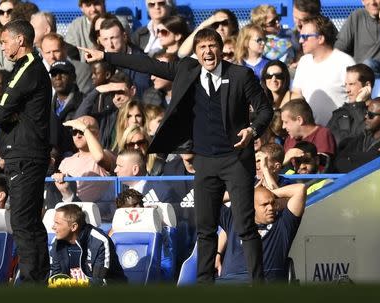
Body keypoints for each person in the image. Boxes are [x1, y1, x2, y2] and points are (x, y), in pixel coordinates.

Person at [78, 27, 273, 283]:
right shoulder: (186, 70)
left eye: (212, 46)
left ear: (221, 49)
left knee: (245, 226)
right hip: (204, 160)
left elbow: (265, 110)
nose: (207, 51)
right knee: (205, 229)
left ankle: (258, 285)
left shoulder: (240, 75)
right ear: (196, 52)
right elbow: (146, 64)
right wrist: (106, 56)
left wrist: (252, 130)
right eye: (202, 47)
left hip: (235, 159)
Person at [0, 19, 51, 283]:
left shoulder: (28, 67)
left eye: (4, 41)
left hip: (25, 155)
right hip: (28, 154)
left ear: (20, 41)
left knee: (23, 223)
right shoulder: (28, 68)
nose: (1, 47)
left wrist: (6, 115)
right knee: (31, 222)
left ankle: (30, 282)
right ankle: (39, 278)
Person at [216, 184, 306, 282]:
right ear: (250, 206)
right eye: (264, 204)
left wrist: (268, 193)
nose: (271, 208)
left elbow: (300, 189)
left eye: (273, 203)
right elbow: (210, 198)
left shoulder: (283, 225)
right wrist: (248, 194)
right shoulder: (235, 221)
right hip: (229, 283)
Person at [292, 14, 356, 126]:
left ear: (320, 38)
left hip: (340, 133)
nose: (301, 41)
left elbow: (356, 99)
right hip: (311, 133)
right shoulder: (304, 61)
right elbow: (297, 93)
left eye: (306, 37)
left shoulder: (345, 62)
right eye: (300, 36)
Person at [50, 203, 127, 285]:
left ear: (73, 227)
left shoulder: (99, 241)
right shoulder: (57, 242)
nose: (53, 227)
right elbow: (56, 277)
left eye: (57, 223)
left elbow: (99, 281)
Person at [57, 115, 115, 203]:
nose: (78, 135)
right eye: (74, 132)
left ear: (97, 134)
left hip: (97, 213)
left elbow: (100, 157)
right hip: (70, 210)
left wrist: (85, 129)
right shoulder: (66, 161)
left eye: (81, 131)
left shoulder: (107, 154)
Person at [335, 97, 380, 172]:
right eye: (366, 113)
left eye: (371, 115)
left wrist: (352, 158)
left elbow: (377, 163)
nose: (366, 117)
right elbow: (339, 161)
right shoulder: (363, 136)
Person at [98, 17, 151, 97]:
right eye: (105, 39)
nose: (110, 44)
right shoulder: (98, 61)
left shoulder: (141, 59)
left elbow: (141, 90)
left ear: (124, 37)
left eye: (113, 38)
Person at [327, 64, 375, 147]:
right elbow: (327, 141)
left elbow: (366, 137)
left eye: (352, 84)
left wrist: (359, 104)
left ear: (367, 85)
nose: (347, 90)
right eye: (346, 84)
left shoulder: (379, 111)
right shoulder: (340, 113)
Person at [114, 149, 179, 204]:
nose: (115, 170)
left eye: (120, 166)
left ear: (135, 170)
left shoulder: (161, 192)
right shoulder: (117, 190)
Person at [334, 0, 380, 65]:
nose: (373, 2)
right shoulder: (357, 16)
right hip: (360, 70)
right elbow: (341, 45)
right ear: (362, 1)